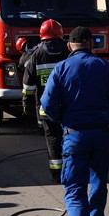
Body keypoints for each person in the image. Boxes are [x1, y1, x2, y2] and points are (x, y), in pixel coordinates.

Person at [40, 26, 109, 216]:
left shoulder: (61, 69)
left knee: (74, 186)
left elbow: (48, 106)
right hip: (103, 134)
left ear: (70, 45)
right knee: (98, 180)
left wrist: (63, 117)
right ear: (91, 43)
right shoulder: (105, 67)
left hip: (75, 134)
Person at [22, 20, 71, 182]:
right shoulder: (68, 51)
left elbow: (28, 84)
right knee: (71, 137)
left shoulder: (36, 55)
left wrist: (27, 105)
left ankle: (56, 174)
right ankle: (72, 170)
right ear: (60, 33)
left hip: (46, 108)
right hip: (69, 107)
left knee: (53, 139)